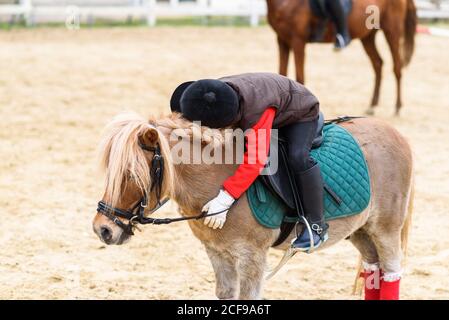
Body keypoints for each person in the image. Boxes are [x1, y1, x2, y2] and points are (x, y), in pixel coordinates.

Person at [170, 73, 328, 252]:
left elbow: (256, 160)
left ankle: (317, 225)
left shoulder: (257, 113)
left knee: (297, 157)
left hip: (300, 109)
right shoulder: (206, 94)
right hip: (265, 94)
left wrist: (225, 199)